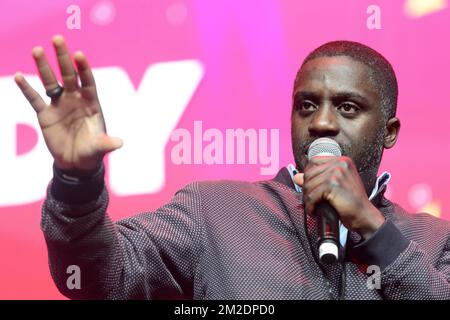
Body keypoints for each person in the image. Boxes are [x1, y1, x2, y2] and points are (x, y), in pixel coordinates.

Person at [15, 35, 450, 300]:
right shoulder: (214, 210)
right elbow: (95, 279)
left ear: (389, 131)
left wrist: (373, 229)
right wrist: (77, 181)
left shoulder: (434, 243)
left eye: (348, 107)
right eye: (306, 106)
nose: (320, 122)